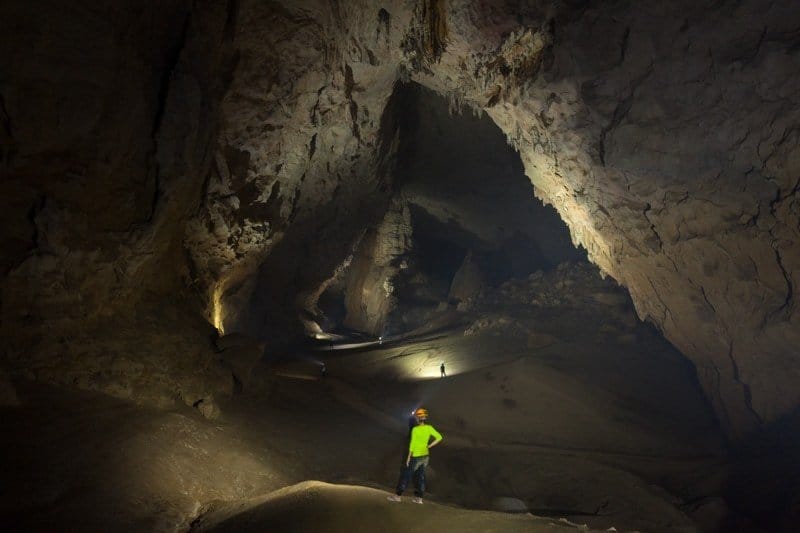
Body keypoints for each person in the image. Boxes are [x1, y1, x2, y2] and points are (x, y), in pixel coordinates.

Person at [388, 407, 443, 504]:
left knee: (406, 475)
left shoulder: (415, 430)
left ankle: (397, 496)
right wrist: (429, 446)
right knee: (420, 476)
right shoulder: (429, 428)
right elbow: (439, 437)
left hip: (416, 456)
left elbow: (412, 444)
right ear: (425, 418)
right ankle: (419, 499)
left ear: (417, 418)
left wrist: (409, 457)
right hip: (425, 456)